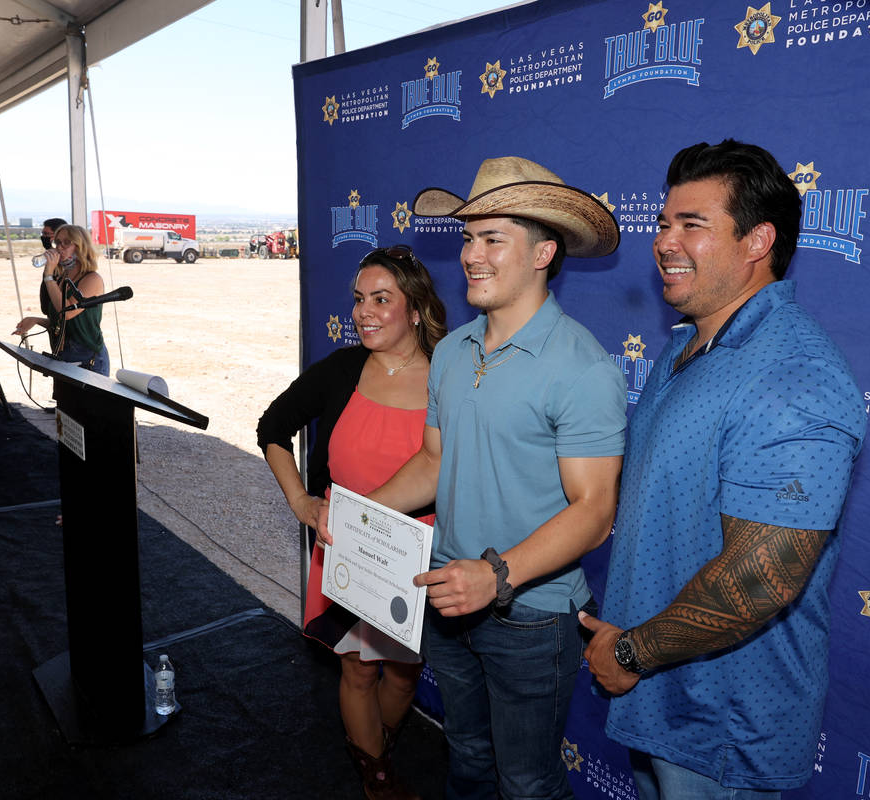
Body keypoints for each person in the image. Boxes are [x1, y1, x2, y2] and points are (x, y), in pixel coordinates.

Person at [324, 156, 629, 799]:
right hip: (445, 597)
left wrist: (495, 574)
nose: (471, 255)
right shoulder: (454, 352)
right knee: (464, 760)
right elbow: (434, 464)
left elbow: (595, 510)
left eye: (494, 238)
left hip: (533, 617)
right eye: (468, 237)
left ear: (544, 251)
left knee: (526, 784)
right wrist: (360, 515)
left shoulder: (583, 367)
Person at [579, 140, 867, 800]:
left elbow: (762, 577)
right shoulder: (687, 343)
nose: (664, 242)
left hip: (722, 733)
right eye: (662, 222)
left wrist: (628, 654)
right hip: (659, 703)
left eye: (692, 225)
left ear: (757, 240)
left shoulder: (793, 374)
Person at [258, 245, 447, 800]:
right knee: (358, 672)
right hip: (345, 551)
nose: (364, 311)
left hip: (420, 560)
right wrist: (301, 501)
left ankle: (372, 749)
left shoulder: (450, 378)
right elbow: (273, 426)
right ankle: (378, 779)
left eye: (381, 299)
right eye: (360, 299)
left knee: (403, 673)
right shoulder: (342, 370)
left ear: (415, 309)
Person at [12, 224, 110, 376]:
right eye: (57, 242)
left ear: (80, 247)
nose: (60, 247)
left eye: (67, 242)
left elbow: (67, 312)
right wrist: (37, 320)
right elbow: (63, 323)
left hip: (87, 358)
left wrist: (48, 276)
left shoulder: (92, 279)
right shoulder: (63, 278)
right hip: (63, 354)